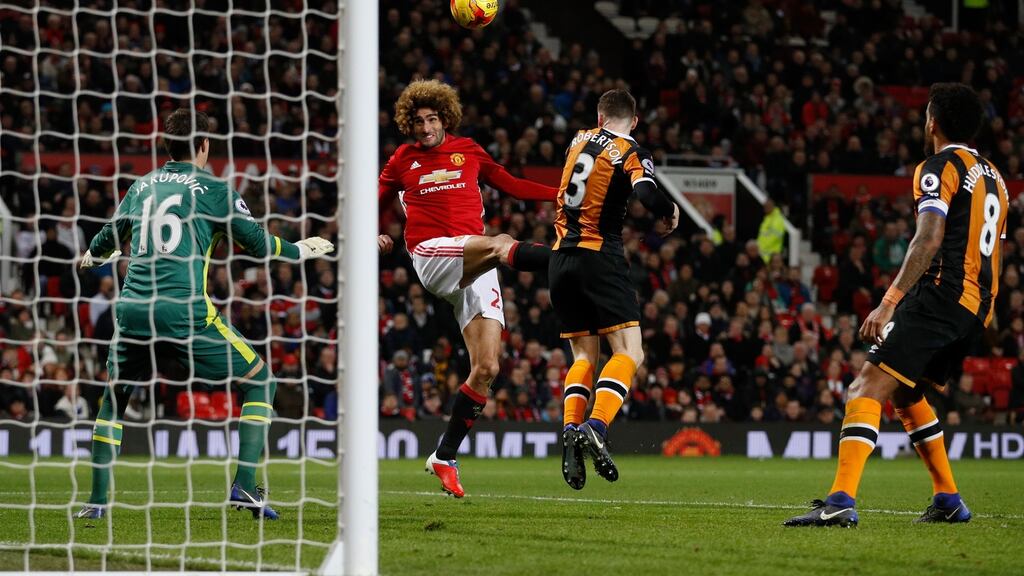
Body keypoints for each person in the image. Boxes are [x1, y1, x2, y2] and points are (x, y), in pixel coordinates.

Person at [75, 108, 335, 521]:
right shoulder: (214, 190)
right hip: (183, 311)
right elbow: (260, 245)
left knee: (114, 401)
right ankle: (245, 488)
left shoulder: (141, 186)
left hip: (133, 310)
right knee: (260, 381)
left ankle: (96, 503)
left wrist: (91, 256)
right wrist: (303, 249)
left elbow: (107, 240)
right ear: (204, 146)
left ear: (165, 146)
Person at [785, 83, 1007, 527]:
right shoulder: (996, 178)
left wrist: (888, 303)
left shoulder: (938, 166)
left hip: (941, 295)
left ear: (933, 122)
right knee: (907, 393)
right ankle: (948, 499)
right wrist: (987, 318)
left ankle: (841, 501)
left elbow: (928, 237)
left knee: (863, 389)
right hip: (975, 306)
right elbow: (993, 252)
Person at [377, 79, 557, 497]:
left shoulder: (469, 150)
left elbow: (510, 183)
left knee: (488, 368)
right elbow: (375, 203)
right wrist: (375, 236)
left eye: (432, 119)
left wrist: (561, 195)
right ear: (409, 124)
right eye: (418, 121)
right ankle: (569, 259)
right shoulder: (402, 159)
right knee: (499, 245)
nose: (425, 128)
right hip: (432, 253)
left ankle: (444, 454)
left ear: (445, 118)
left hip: (475, 262)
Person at [550, 89, 678, 490]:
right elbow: (644, 193)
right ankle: (597, 426)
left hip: (560, 259)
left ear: (599, 116)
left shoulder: (578, 138)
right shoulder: (629, 149)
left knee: (584, 355)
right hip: (597, 257)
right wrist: (669, 210)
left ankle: (572, 430)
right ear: (634, 120)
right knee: (630, 351)